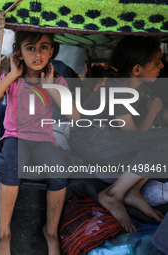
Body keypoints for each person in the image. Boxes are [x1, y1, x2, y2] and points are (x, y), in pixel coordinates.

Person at [0, 31, 80, 255]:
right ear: (19, 53)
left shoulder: (57, 80)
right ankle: (4, 233)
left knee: (59, 171)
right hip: (15, 137)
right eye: (30, 48)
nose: (38, 54)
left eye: (44, 47)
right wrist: (12, 74)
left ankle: (51, 231)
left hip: (43, 139)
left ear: (52, 51)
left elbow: (76, 117)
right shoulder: (13, 78)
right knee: (13, 166)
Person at [69, 36, 168, 234]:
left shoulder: (126, 91)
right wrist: (152, 113)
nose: (162, 65)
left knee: (160, 141)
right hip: (91, 143)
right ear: (137, 70)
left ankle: (131, 191)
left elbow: (137, 139)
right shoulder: (119, 92)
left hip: (101, 143)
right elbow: (135, 137)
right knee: (161, 141)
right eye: (157, 62)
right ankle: (114, 194)